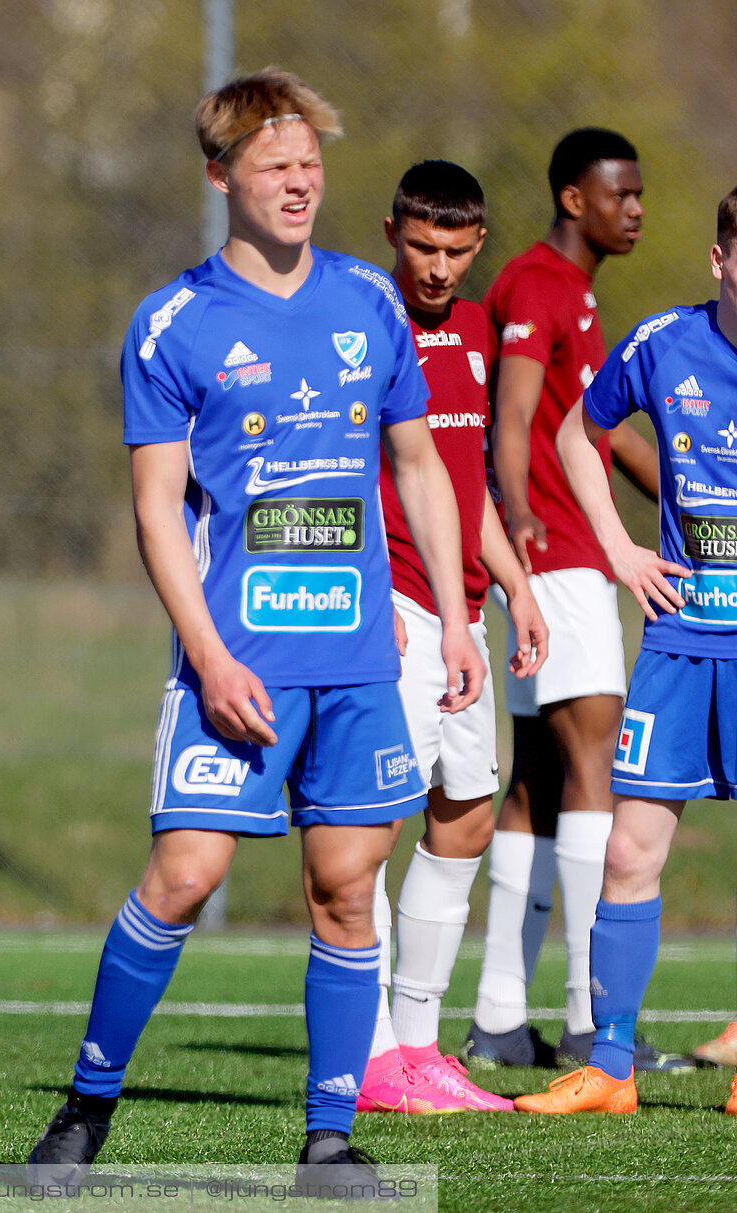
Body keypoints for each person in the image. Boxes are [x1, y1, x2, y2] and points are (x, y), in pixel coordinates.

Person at [25, 70, 484, 1193]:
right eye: (277, 166)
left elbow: (417, 465)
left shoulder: (370, 302)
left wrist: (461, 620)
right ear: (221, 173)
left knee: (344, 883)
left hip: (361, 662)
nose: (300, 184)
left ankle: (329, 1137)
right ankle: (87, 1106)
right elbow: (154, 510)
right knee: (183, 875)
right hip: (237, 662)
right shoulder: (173, 321)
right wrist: (212, 655)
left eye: (312, 166)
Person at [515, 186, 737, 1113]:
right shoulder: (663, 345)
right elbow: (576, 431)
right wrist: (617, 546)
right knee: (630, 850)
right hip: (684, 639)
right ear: (724, 260)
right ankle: (610, 1065)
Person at [466, 128, 683, 1071]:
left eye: (638, 194)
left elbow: (616, 440)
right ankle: (593, 1019)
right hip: (556, 557)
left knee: (540, 782)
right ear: (571, 196)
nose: (634, 208)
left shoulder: (580, 296)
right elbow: (514, 418)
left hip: (563, 557)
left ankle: (500, 1015)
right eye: (619, 194)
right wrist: (517, 520)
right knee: (600, 764)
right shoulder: (539, 284)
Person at [353, 161, 548, 1116]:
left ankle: (421, 1044)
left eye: (456, 250)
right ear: (391, 230)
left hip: (462, 612)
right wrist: (358, 587)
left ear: (479, 246)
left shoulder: (475, 329)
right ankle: (374, 1050)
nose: (436, 267)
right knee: (373, 823)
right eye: (421, 246)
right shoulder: (359, 321)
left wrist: (516, 586)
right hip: (392, 601)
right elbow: (331, 466)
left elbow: (459, 488)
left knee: (467, 808)